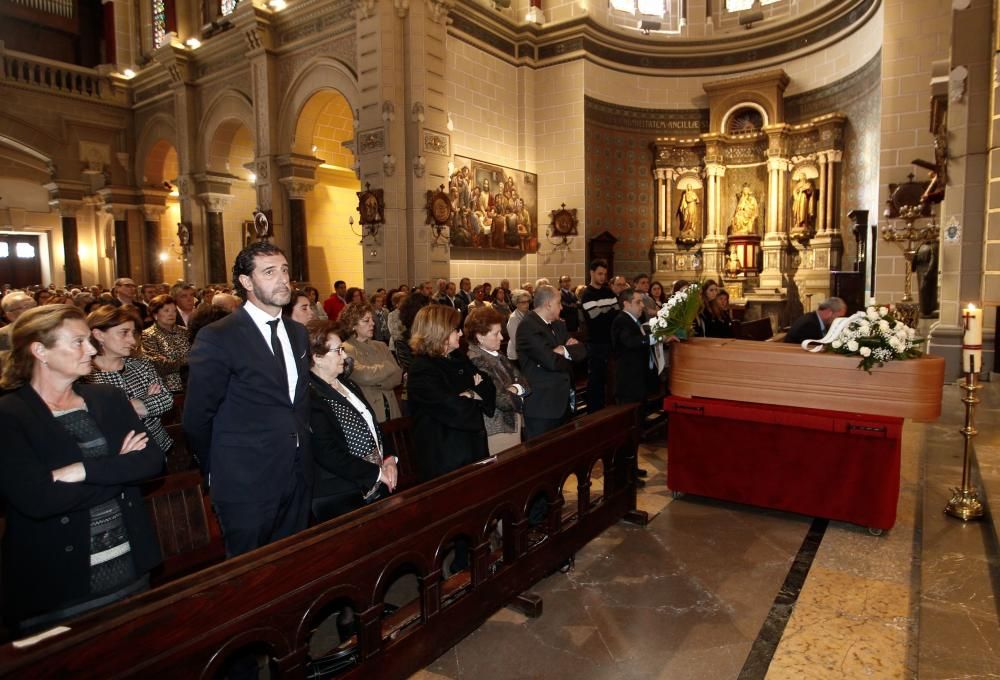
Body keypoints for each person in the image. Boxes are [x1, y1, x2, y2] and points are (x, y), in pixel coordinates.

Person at [0, 304, 163, 635]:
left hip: (129, 564)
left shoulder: (107, 397)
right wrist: (119, 469)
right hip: (57, 582)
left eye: (90, 340)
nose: (91, 349)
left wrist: (80, 471)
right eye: (78, 342)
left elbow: (151, 461)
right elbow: (38, 499)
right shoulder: (10, 414)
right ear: (40, 351)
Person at [183, 241, 312, 558]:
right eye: (269, 272)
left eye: (285, 270)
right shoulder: (219, 336)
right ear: (246, 282)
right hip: (246, 481)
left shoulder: (297, 333)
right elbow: (197, 418)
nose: (283, 280)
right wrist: (220, 469)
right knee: (250, 574)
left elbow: (296, 404)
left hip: (296, 473)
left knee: (295, 566)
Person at [307, 320, 397, 522]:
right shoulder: (311, 396)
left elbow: (372, 426)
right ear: (317, 358)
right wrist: (375, 473)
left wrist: (389, 458)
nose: (345, 356)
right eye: (338, 350)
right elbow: (327, 452)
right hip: (341, 493)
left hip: (372, 480)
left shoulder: (347, 384)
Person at [406, 304, 495, 483]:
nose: (461, 333)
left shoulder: (457, 357)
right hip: (447, 457)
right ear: (440, 332)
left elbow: (488, 386)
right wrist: (474, 392)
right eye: (456, 329)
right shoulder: (422, 369)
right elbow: (455, 409)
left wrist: (469, 394)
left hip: (472, 448)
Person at [84, 305, 174, 456]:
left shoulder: (140, 364)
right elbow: (93, 423)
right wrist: (145, 402)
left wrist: (117, 410)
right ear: (99, 335)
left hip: (158, 446)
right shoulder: (85, 376)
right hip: (114, 455)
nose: (132, 340)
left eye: (133, 333)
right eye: (124, 333)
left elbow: (166, 399)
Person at [517, 285, 587, 439]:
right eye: (559, 303)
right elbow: (551, 361)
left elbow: (582, 350)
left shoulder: (558, 324)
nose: (561, 307)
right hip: (543, 407)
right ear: (548, 304)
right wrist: (568, 353)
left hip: (563, 401)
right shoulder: (528, 326)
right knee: (542, 451)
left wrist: (563, 350)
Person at [465, 307, 529, 455]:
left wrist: (515, 388)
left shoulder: (496, 353)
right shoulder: (476, 360)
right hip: (497, 428)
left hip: (511, 423)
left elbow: (525, 382)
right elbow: (501, 400)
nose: (501, 337)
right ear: (480, 336)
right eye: (496, 333)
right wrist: (517, 389)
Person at [340, 301, 403, 423]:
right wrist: (387, 366)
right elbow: (363, 375)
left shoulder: (381, 346)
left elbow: (397, 376)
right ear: (352, 325)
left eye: (372, 319)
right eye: (366, 320)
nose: (372, 323)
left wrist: (374, 382)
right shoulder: (346, 348)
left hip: (392, 409)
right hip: (369, 410)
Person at [580, 259, 617, 413]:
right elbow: (596, 320)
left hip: (610, 341)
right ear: (592, 273)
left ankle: (608, 409)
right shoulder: (587, 294)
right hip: (596, 343)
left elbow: (617, 314)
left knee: (611, 378)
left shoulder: (608, 291)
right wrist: (609, 312)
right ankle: (594, 412)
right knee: (596, 379)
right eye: (600, 274)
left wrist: (605, 312)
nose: (603, 277)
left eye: (604, 274)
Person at [141, 294, 190, 393]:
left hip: (191, 384)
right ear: (155, 314)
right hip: (167, 388)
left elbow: (196, 354)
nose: (171, 314)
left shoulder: (184, 331)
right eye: (166, 311)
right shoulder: (148, 335)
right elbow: (158, 365)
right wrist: (187, 361)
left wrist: (173, 361)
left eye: (174, 311)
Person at [505, 289, 532, 362]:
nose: (527, 304)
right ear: (516, 304)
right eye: (523, 302)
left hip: (529, 352)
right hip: (517, 355)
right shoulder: (513, 318)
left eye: (528, 301)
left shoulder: (530, 314)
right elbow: (516, 341)